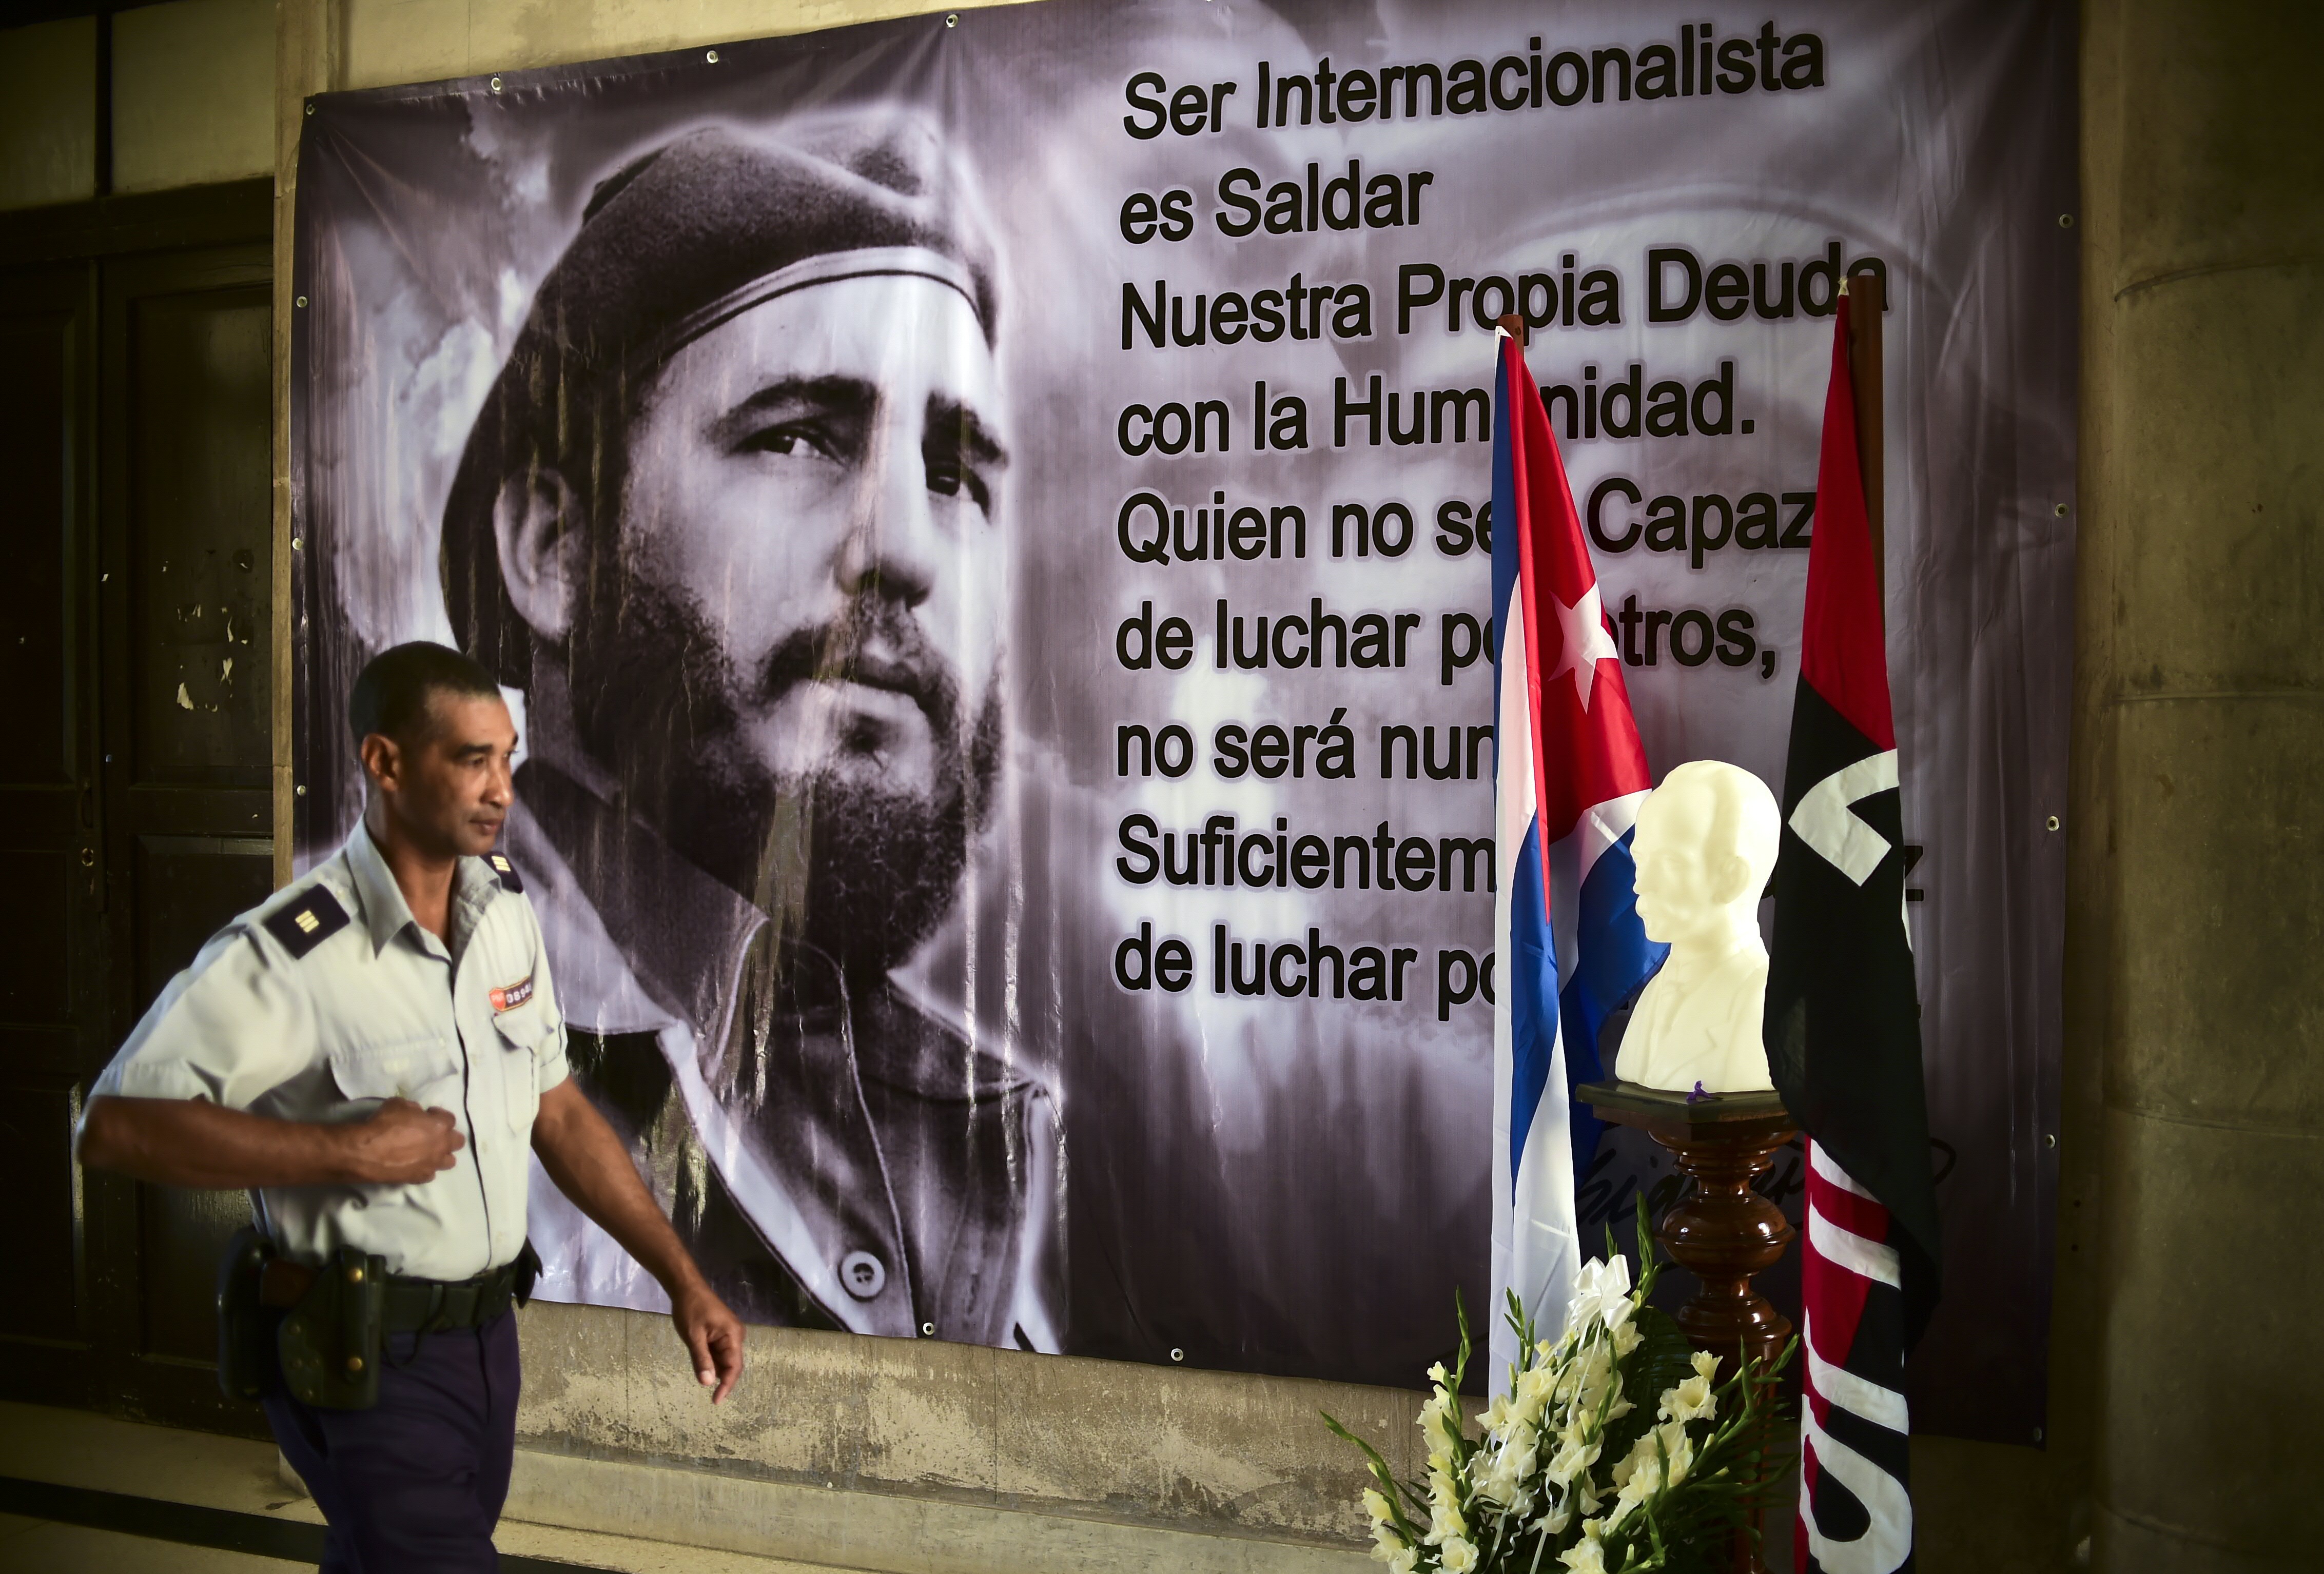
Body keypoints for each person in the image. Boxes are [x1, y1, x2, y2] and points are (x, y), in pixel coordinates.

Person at [437, 110, 1058, 1351]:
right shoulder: (423, 1046)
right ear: (559, 552)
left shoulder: (973, 1114)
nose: (903, 549)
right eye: (797, 436)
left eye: (954, 474)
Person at [76, 642, 746, 1573]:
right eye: (471, 759)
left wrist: (684, 1279)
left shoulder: (504, 909)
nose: (501, 787)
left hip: (483, 1344)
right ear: (384, 761)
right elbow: (114, 1124)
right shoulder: (293, 951)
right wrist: (341, 1150)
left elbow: (556, 1109)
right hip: (361, 1355)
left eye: (507, 756)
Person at [1616, 758, 1784, 1094]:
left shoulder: (1765, 1005)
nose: (1640, 883)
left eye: (1667, 863)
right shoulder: (1653, 995)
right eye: (1640, 860)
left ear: (1732, 878)